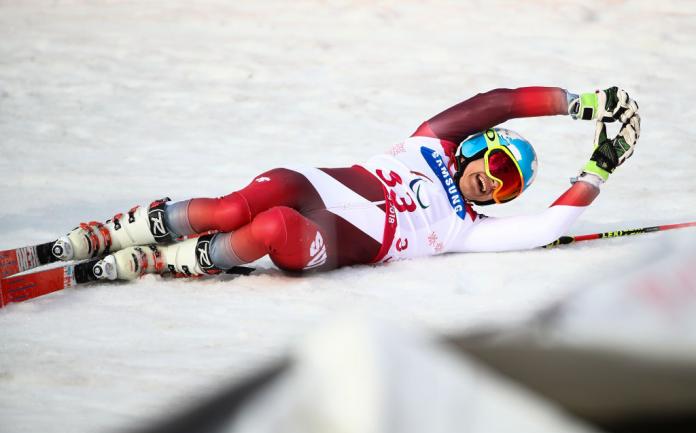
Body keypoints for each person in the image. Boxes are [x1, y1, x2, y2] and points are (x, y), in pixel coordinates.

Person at [50, 86, 640, 281]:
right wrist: (581, 103)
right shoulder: (430, 142)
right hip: (315, 182)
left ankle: (171, 261)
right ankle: (118, 231)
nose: (493, 182)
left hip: (334, 239)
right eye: (497, 163)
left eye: (507, 185)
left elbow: (546, 228)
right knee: (240, 205)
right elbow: (499, 101)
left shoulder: (465, 228)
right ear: (479, 146)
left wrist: (601, 165)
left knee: (272, 228)